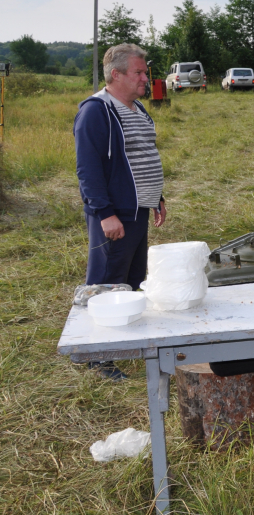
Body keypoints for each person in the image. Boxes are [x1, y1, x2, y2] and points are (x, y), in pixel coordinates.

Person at [74, 43, 167, 380]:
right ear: (117, 74)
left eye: (145, 71)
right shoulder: (96, 111)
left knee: (131, 280)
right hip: (114, 214)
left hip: (138, 209)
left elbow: (143, 156)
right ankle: (95, 356)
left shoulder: (137, 108)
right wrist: (104, 213)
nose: (146, 78)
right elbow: (88, 169)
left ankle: (121, 343)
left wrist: (157, 196)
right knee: (106, 283)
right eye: (139, 72)